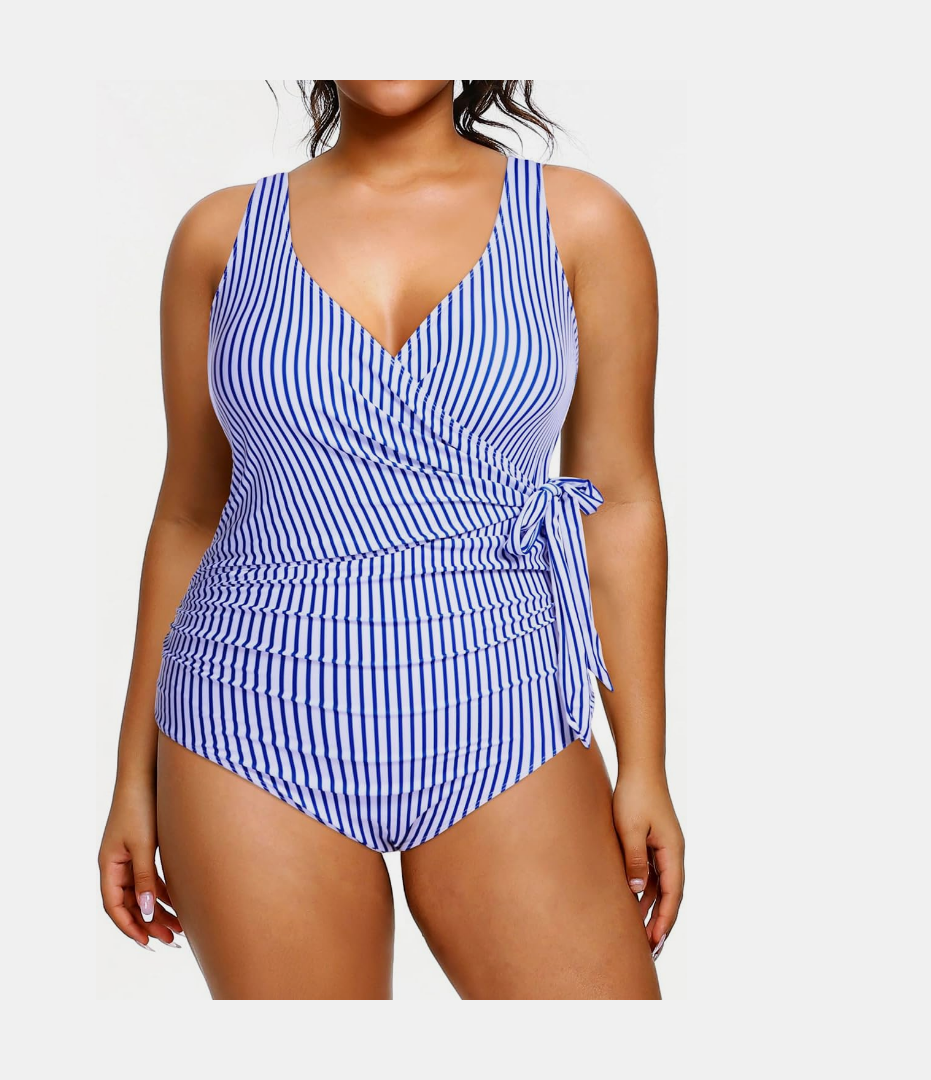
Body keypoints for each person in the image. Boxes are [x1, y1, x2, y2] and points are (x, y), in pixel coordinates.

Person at [98, 79, 684, 999]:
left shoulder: (579, 223)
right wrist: (132, 776)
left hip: (505, 701)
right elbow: (188, 516)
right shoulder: (219, 237)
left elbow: (620, 502)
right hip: (245, 714)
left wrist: (643, 762)